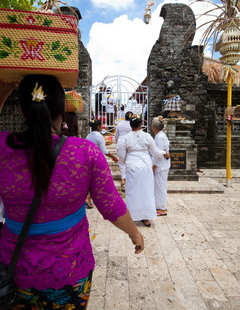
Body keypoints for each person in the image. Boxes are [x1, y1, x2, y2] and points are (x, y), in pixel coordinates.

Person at [0, 76, 144, 310]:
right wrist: (134, 233)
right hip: (69, 268)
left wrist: (2, 94)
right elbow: (111, 205)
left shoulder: (3, 147)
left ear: (21, 110)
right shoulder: (84, 152)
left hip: (14, 268)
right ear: (62, 111)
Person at [117, 114, 170, 227]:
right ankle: (146, 218)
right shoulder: (147, 136)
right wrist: (164, 153)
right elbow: (155, 152)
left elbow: (121, 155)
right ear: (141, 124)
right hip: (146, 166)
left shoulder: (124, 138)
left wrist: (125, 162)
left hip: (132, 166)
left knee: (132, 192)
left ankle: (132, 217)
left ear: (130, 125)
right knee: (146, 192)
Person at [152, 116, 171, 216]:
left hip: (161, 165)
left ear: (154, 127)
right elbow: (164, 151)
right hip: (163, 164)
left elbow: (157, 154)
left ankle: (162, 208)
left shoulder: (159, 137)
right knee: (160, 186)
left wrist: (153, 167)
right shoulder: (161, 135)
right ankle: (160, 206)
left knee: (160, 187)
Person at [115, 111, 133, 187]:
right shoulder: (132, 125)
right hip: (130, 143)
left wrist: (117, 142)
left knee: (122, 162)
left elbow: (116, 136)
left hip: (121, 143)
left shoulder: (119, 124)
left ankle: (123, 179)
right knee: (130, 160)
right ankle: (130, 178)